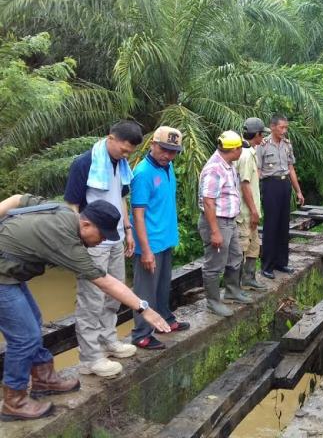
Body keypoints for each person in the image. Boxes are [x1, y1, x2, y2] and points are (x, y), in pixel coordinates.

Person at [0, 194, 169, 421]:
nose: (102, 242)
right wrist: (144, 308)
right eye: (101, 236)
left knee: (34, 320)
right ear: (86, 224)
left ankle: (43, 378)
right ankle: (14, 401)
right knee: (24, 337)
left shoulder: (64, 213)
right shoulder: (67, 242)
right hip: (3, 276)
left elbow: (19, 199)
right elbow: (105, 282)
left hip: (10, 272)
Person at [64, 121, 142, 378]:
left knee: (113, 295)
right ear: (111, 138)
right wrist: (77, 243)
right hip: (91, 242)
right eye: (124, 149)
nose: (126, 155)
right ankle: (90, 358)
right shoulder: (84, 163)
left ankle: (108, 341)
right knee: (91, 300)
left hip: (115, 238)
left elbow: (120, 198)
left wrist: (128, 229)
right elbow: (72, 206)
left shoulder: (120, 164)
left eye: (130, 152)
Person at [130, 126, 190, 350]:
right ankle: (141, 333)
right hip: (150, 242)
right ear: (152, 145)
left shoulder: (168, 166)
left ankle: (166, 318)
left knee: (164, 285)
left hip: (165, 238)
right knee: (145, 290)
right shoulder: (143, 173)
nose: (168, 155)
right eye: (164, 149)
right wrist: (145, 250)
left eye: (173, 151)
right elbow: (138, 214)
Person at [198, 130, 252, 318]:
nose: (241, 152)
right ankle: (213, 302)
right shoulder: (215, 168)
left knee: (235, 256)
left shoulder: (227, 165)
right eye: (240, 149)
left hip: (229, 221)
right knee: (214, 263)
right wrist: (214, 231)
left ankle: (232, 290)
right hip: (217, 221)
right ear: (234, 149)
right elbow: (208, 201)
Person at [256, 114, 305, 280]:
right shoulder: (263, 145)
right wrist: (256, 192)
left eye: (286, 128)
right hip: (270, 185)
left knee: (284, 225)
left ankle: (281, 262)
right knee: (271, 225)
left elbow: (291, 168)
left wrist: (298, 190)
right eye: (282, 127)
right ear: (273, 127)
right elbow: (258, 170)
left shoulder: (287, 144)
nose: (284, 131)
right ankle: (267, 265)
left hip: (285, 185)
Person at [237, 118, 271, 292]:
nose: (263, 137)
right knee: (241, 249)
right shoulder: (244, 155)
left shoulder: (249, 151)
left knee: (254, 246)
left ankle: (249, 278)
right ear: (257, 134)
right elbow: (244, 185)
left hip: (252, 211)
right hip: (245, 212)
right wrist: (253, 211)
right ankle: (237, 285)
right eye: (262, 134)